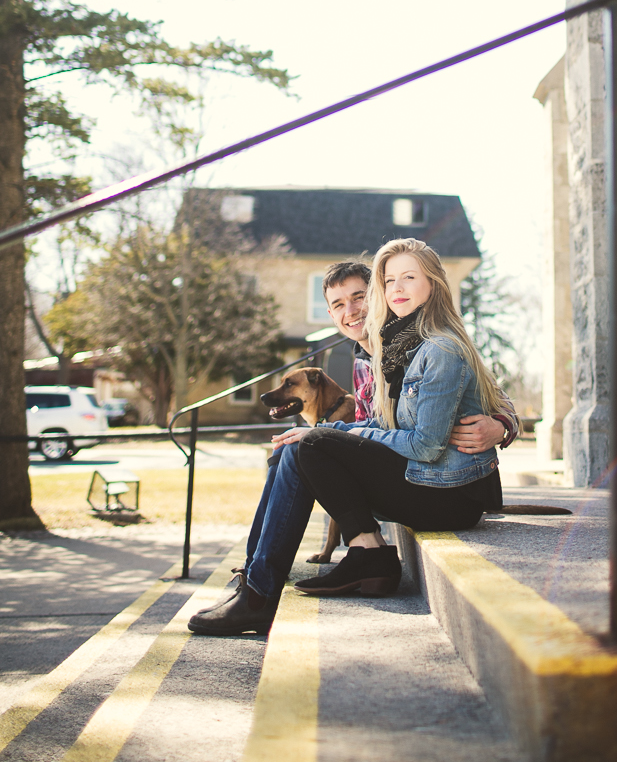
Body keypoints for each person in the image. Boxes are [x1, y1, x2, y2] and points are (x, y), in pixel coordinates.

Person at [188, 255, 517, 636]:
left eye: (359, 297)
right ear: (330, 314)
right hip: (411, 465)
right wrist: (333, 434)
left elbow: (491, 396)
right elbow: (376, 426)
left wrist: (501, 425)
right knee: (289, 450)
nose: (352, 311)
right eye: (339, 305)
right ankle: (254, 577)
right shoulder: (366, 357)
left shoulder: (420, 338)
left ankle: (264, 589)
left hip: (442, 475)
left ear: (376, 296)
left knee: (306, 446)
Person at [275, 238, 511, 598]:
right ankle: (339, 557)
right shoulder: (400, 344)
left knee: (315, 444)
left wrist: (504, 424)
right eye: (389, 281)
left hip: (449, 492)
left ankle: (354, 558)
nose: (397, 289)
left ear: (432, 284)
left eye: (409, 278)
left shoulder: (440, 347)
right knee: (307, 444)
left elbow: (427, 443)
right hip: (429, 477)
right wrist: (337, 432)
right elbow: (387, 425)